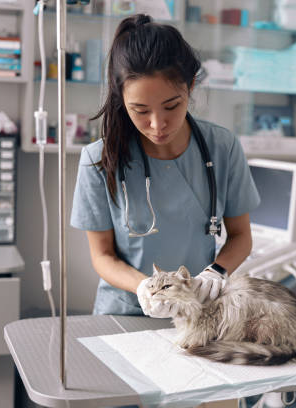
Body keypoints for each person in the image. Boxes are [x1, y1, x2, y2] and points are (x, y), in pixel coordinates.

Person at [70, 13, 260, 317]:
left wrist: (216, 272)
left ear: (192, 85)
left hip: (197, 312)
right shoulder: (99, 160)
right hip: (124, 313)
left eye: (172, 106)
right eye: (140, 110)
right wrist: (144, 287)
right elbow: (102, 255)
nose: (158, 124)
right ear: (121, 98)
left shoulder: (222, 148)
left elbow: (241, 236)